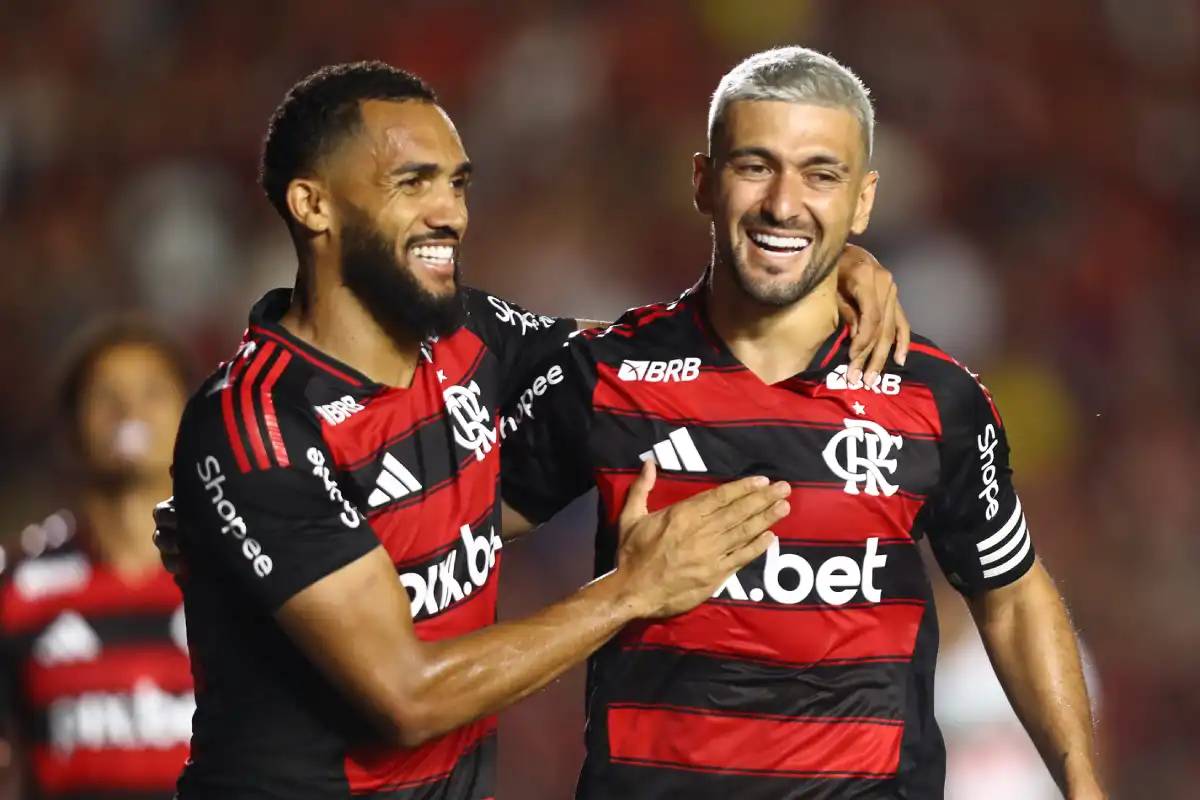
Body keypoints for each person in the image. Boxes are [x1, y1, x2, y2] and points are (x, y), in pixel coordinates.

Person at [166, 62, 907, 800]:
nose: (449, 213)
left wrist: (820, 269)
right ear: (313, 205)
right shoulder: (254, 424)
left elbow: (663, 358)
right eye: (412, 183)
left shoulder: (469, 337)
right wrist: (632, 591)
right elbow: (407, 698)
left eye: (457, 184)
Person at [499, 47, 1107, 799]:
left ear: (862, 202)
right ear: (703, 181)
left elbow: (1010, 593)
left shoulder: (935, 396)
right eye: (755, 166)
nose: (784, 203)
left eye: (821, 174)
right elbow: (450, 528)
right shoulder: (608, 376)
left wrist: (1084, 788)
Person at [0, 319, 194, 799]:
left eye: (151, 392)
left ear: (192, 422)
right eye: (106, 394)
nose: (128, 409)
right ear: (70, 427)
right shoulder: (15, 586)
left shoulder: (248, 578)